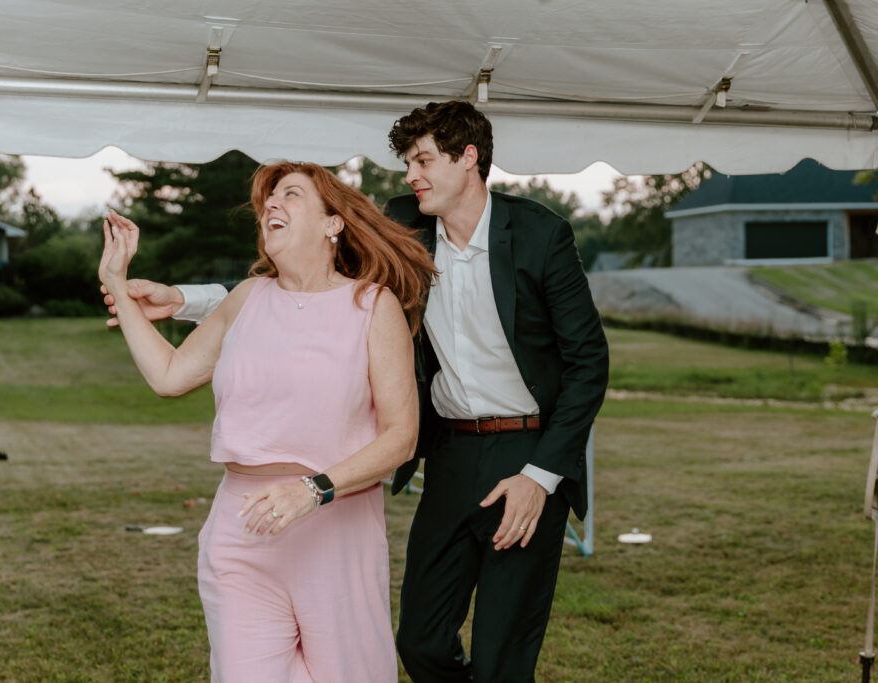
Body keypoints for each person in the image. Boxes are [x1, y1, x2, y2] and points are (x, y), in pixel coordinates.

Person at [105, 101, 609, 682]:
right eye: (407, 162)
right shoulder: (405, 218)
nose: (409, 175)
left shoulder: (541, 233)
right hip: (449, 452)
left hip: (527, 450)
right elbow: (299, 285)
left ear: (469, 158)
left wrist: (541, 475)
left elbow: (588, 363)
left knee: (501, 655)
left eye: (422, 160)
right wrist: (184, 298)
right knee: (420, 640)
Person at [98, 160, 436, 683]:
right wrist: (117, 283)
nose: (271, 205)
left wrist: (313, 490)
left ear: (332, 223)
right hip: (241, 532)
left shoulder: (371, 305)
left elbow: (401, 436)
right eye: (268, 200)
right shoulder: (247, 298)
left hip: (335, 527)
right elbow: (169, 375)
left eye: (291, 195)